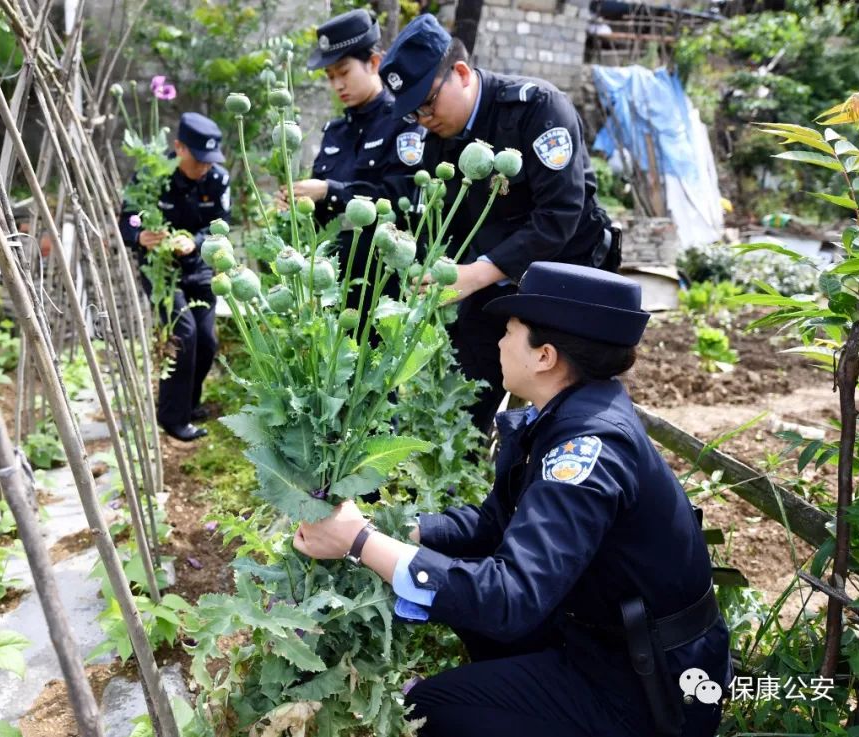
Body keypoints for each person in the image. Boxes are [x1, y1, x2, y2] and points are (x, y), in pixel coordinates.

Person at [293, 262, 731, 737]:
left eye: (509, 331)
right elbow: (495, 527)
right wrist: (397, 530)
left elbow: (511, 597)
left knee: (425, 710)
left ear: (544, 356)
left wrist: (360, 543)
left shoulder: (588, 448)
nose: (499, 343)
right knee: (468, 581)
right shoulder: (571, 414)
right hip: (607, 640)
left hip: (651, 688)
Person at [378, 15, 622, 433]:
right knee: (464, 400)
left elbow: (559, 216)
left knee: (568, 408)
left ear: (460, 73)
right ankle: (467, 464)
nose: (423, 118)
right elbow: (449, 220)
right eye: (413, 112)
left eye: (428, 102)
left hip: (566, 279)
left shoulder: (538, 108)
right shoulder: (439, 140)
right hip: (492, 280)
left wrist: (476, 274)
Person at [277, 8, 424, 315]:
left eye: (344, 73)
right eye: (330, 77)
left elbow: (402, 198)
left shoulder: (403, 124)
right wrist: (297, 201)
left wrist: (329, 190)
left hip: (383, 283)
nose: (337, 85)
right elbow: (320, 210)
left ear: (375, 63)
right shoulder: (335, 131)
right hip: (330, 281)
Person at [119, 112, 230, 442]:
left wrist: (195, 241)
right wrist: (140, 237)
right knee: (183, 334)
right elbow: (127, 220)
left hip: (199, 266)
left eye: (210, 159)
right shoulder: (151, 176)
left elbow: (221, 225)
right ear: (179, 148)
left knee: (206, 341)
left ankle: (189, 404)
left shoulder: (218, 179)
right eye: (199, 159)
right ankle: (173, 418)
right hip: (161, 270)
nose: (205, 166)